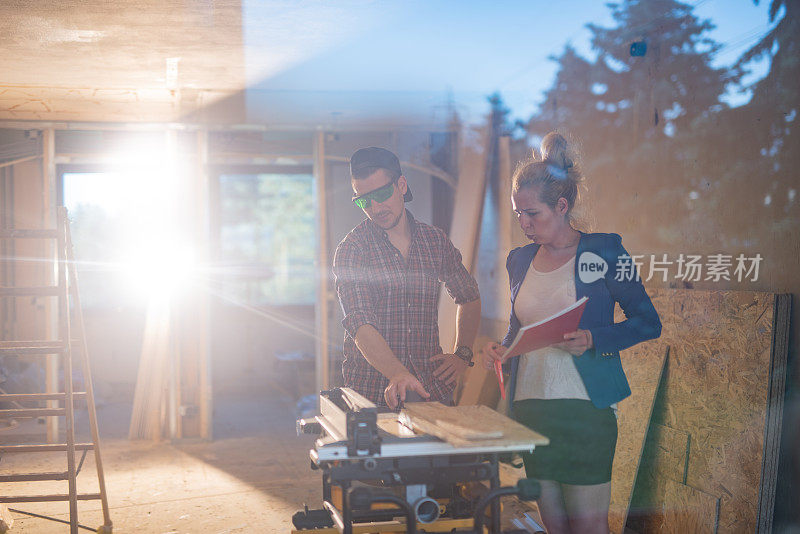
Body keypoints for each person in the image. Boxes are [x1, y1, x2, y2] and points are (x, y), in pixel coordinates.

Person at [483, 132, 661, 534]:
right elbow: (519, 325)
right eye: (519, 215)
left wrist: (595, 339)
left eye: (534, 215)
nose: (525, 225)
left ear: (561, 206)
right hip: (531, 409)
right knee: (555, 526)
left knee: (589, 527)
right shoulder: (519, 260)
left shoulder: (606, 251)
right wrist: (504, 350)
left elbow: (648, 322)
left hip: (586, 409)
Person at [333, 147, 481, 409]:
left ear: (401, 185)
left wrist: (463, 353)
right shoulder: (353, 249)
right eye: (364, 200)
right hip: (373, 394)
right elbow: (360, 323)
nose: (376, 207)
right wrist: (397, 373)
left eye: (381, 194)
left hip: (431, 389)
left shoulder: (434, 241)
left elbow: (468, 296)